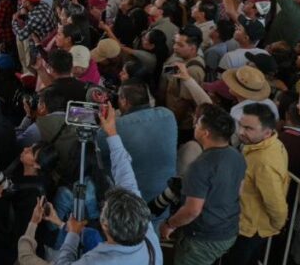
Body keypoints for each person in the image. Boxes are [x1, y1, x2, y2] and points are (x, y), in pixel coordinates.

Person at [51, 106, 163, 265]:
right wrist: (111, 132)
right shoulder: (149, 237)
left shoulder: (97, 261)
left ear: (105, 225)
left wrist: (73, 234)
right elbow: (127, 178)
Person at [160, 104, 246, 265]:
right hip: (228, 231)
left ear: (205, 133)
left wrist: (169, 224)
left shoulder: (200, 166)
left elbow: (192, 210)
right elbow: (239, 191)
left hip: (203, 238)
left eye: (198, 123)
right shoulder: (237, 156)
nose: (195, 126)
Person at [223, 103, 289, 265]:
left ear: (267, 132)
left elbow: (275, 202)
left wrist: (276, 225)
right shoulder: (271, 144)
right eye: (241, 125)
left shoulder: (263, 161)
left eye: (249, 128)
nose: (241, 131)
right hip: (247, 223)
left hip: (250, 229)